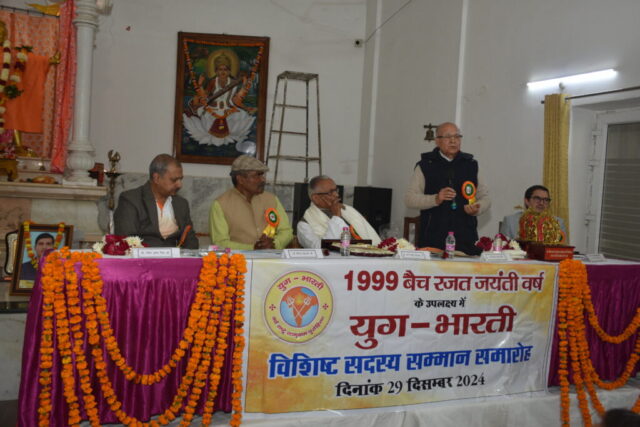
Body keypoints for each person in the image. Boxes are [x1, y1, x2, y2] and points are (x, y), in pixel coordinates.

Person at [405, 122, 490, 255]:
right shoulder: (425, 165)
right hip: (433, 239)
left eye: (457, 136)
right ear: (437, 141)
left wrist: (477, 208)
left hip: (465, 240)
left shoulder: (471, 165)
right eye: (448, 137)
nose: (453, 141)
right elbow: (410, 199)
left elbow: (485, 197)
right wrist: (435, 199)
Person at [114, 154, 198, 249]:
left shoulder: (181, 204)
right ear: (156, 178)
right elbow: (125, 240)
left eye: (180, 179)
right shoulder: (131, 200)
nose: (179, 185)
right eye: (174, 180)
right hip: (142, 257)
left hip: (176, 257)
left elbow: (191, 239)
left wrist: (186, 256)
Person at [209, 155, 293, 249]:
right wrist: (252, 248)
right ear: (240, 179)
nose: (263, 179)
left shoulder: (272, 199)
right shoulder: (221, 204)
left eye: (262, 175)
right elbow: (220, 242)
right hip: (239, 258)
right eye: (257, 175)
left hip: (271, 256)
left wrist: (275, 244)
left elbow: (286, 231)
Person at [183, 52, 256, 151]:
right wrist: (200, 85)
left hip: (228, 109)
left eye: (225, 69)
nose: (223, 72)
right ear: (216, 71)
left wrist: (244, 85)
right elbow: (205, 96)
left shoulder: (233, 82)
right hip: (213, 108)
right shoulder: (213, 82)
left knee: (242, 115)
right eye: (220, 69)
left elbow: (237, 98)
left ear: (229, 71)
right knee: (205, 115)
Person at [297, 175, 381, 248]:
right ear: (316, 198)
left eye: (336, 190)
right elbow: (321, 249)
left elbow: (372, 240)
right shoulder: (304, 225)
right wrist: (336, 217)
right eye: (330, 192)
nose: (337, 195)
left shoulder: (348, 210)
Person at [499, 185, 566, 240]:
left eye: (546, 200)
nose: (541, 203)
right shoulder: (510, 221)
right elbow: (503, 247)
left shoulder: (558, 223)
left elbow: (563, 248)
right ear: (527, 201)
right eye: (537, 199)